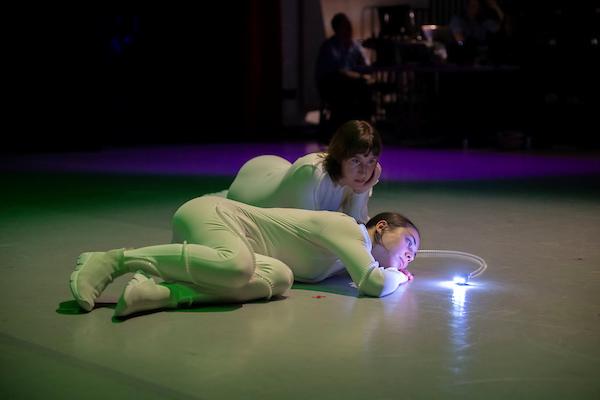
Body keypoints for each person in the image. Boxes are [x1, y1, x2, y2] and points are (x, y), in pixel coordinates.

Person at [69, 196, 420, 318]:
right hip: (216, 215)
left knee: (279, 279)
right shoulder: (350, 231)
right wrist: (400, 278)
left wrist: (395, 272)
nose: (410, 256)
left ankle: (161, 293)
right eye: (410, 244)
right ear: (382, 227)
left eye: (413, 256)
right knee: (239, 265)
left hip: (238, 248)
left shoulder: (345, 260)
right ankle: (114, 260)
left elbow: (368, 274)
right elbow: (373, 284)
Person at [225, 120, 381, 224]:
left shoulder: (362, 178)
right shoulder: (312, 173)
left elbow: (357, 222)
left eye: (371, 161)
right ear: (339, 156)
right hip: (250, 187)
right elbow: (306, 233)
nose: (364, 172)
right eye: (355, 161)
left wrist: (362, 191)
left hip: (278, 172)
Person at [315, 13, 374, 134]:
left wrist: (364, 65)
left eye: (349, 26)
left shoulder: (355, 45)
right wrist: (355, 76)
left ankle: (365, 127)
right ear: (337, 29)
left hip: (353, 83)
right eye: (345, 27)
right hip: (332, 84)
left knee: (365, 88)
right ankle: (342, 128)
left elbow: (365, 65)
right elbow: (337, 70)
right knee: (347, 89)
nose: (349, 30)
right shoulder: (330, 46)